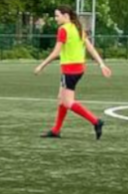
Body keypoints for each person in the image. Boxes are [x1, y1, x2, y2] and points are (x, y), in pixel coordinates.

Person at [33, 6, 110, 139]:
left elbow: (56, 52)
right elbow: (90, 48)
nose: (55, 18)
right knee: (61, 99)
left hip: (70, 71)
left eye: (57, 16)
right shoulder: (77, 27)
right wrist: (101, 64)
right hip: (78, 69)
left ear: (66, 16)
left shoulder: (63, 29)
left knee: (68, 102)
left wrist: (42, 65)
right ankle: (56, 130)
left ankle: (96, 122)